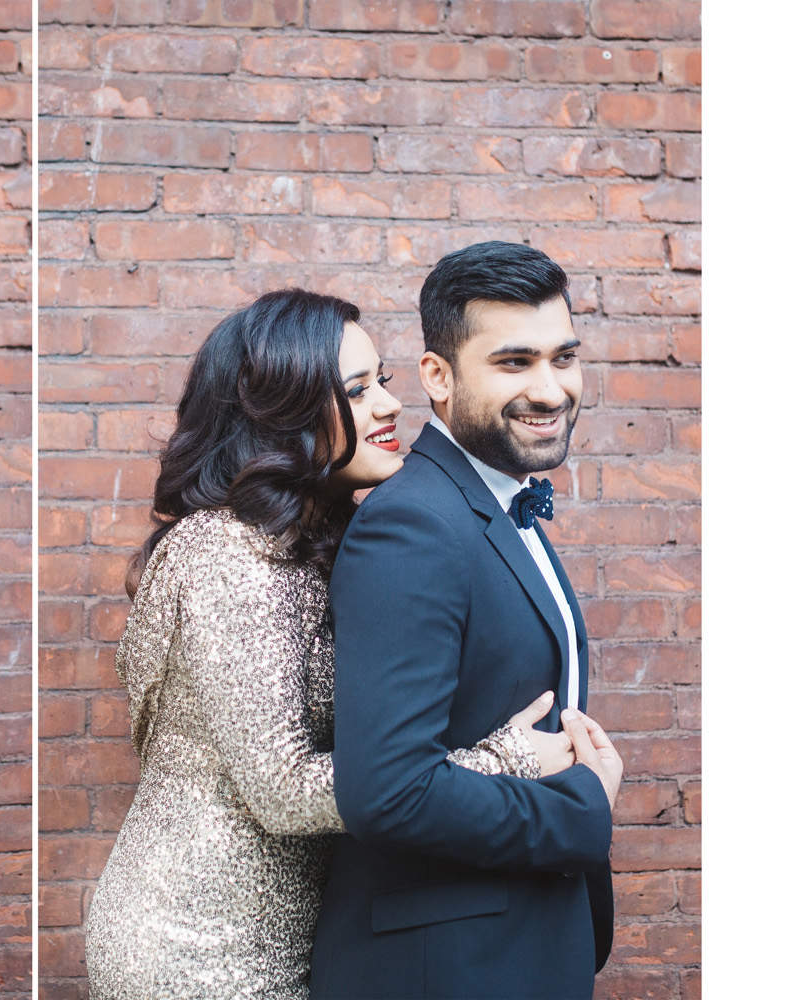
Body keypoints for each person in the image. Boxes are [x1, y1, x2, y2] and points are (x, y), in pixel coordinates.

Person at [83, 289, 572, 1000]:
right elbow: (282, 791)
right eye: (356, 389)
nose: (389, 406)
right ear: (280, 413)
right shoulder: (227, 553)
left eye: (383, 380)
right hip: (198, 947)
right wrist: (503, 760)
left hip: (296, 931)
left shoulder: (317, 543)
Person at [311, 241, 623, 1000]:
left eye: (564, 358)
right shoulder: (413, 524)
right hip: (445, 968)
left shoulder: (494, 502)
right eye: (514, 363)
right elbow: (388, 792)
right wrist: (584, 808)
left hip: (519, 945)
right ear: (438, 378)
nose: (550, 390)